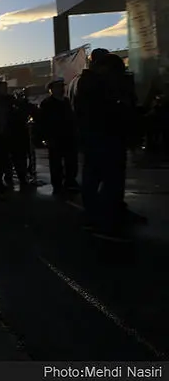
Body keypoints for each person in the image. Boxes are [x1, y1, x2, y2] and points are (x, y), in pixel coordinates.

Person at [74, 51, 136, 241]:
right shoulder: (93, 84)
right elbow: (105, 110)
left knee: (97, 179)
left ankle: (101, 218)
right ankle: (102, 221)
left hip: (97, 137)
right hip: (102, 137)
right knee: (108, 179)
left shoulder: (85, 82)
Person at [35, 79, 78, 196]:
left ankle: (70, 181)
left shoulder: (66, 102)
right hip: (55, 137)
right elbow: (42, 122)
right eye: (58, 87)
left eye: (61, 86)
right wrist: (45, 138)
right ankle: (57, 184)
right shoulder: (47, 104)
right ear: (52, 89)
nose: (61, 89)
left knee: (71, 161)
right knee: (56, 163)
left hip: (68, 136)